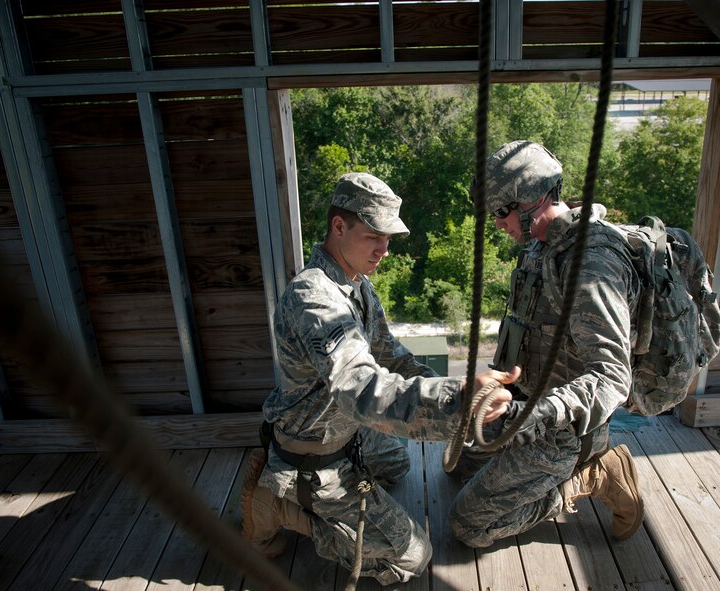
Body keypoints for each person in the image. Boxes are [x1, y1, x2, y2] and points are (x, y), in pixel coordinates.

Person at [240, 172, 518, 585]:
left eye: (388, 239)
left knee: (398, 461)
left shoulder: (356, 286)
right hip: (315, 452)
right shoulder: (315, 300)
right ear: (339, 226)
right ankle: (280, 506)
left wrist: (453, 390)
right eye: (374, 236)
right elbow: (363, 391)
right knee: (412, 558)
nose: (384, 250)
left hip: (347, 433)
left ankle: (299, 494)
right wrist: (456, 400)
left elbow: (391, 354)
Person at [448, 140, 645, 548]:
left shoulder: (589, 264)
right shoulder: (542, 245)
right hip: (524, 406)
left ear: (535, 200)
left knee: (469, 526)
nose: (498, 224)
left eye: (503, 212)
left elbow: (612, 377)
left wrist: (538, 412)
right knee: (460, 468)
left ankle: (593, 472)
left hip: (562, 430)